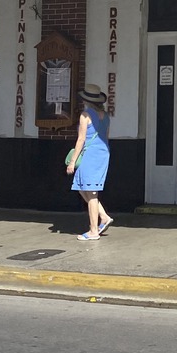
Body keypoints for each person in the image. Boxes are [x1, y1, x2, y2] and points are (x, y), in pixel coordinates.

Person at [66, 84, 114, 241]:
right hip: (103, 153)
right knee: (81, 187)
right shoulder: (105, 116)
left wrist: (72, 161)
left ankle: (93, 230)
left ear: (86, 100)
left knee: (91, 193)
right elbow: (106, 136)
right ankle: (104, 216)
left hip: (90, 154)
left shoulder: (85, 115)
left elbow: (81, 139)